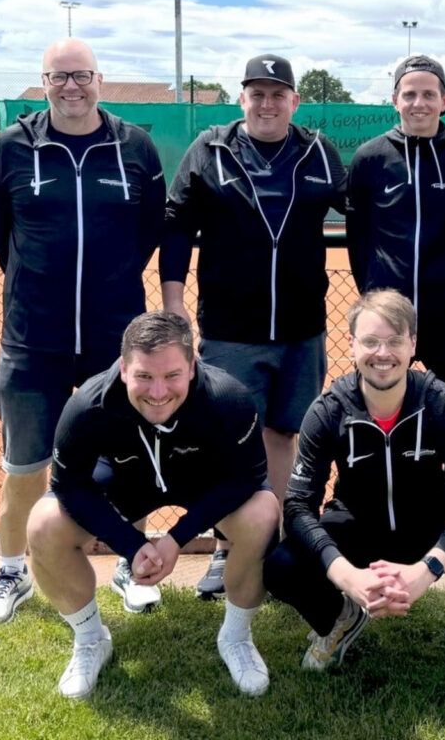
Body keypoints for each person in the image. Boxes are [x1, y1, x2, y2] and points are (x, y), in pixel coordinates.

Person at [0, 38, 166, 625]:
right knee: (24, 466)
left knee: (130, 457)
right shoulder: (10, 147)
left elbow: (149, 229)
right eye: (58, 77)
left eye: (81, 75)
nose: (71, 87)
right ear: (44, 83)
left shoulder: (134, 147)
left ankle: (130, 562)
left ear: (99, 80)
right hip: (33, 340)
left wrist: (110, 285)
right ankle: (12, 572)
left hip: (117, 339)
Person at [160, 54, 346, 598]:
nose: (267, 103)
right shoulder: (211, 150)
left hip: (301, 327)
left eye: (277, 94)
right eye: (257, 93)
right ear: (241, 99)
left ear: (294, 101)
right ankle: (226, 549)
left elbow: (366, 216)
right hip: (229, 329)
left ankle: (275, 544)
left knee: (285, 433)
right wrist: (173, 299)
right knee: (230, 441)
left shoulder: (318, 152)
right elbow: (177, 224)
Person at [262, 289, 445, 679]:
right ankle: (340, 619)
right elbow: (298, 506)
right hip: (357, 526)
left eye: (395, 341)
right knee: (282, 566)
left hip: (428, 525)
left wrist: (427, 570)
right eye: (370, 341)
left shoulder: (443, 403)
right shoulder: (328, 410)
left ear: (413, 344)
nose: (382, 353)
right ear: (351, 345)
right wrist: (346, 575)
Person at [26, 311, 279, 699]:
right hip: (125, 481)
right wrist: (131, 544)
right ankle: (91, 639)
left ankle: (236, 636)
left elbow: (247, 478)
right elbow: (68, 485)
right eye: (144, 376)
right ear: (124, 368)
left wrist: (176, 539)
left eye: (171, 375)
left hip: (200, 482)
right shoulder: (88, 405)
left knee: (263, 512)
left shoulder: (228, 399)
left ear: (192, 368)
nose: (158, 392)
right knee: (44, 523)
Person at [346, 55, 445, 419]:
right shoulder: (369, 158)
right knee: (378, 417)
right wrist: (376, 292)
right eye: (409, 94)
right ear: (395, 100)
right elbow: (358, 237)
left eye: (429, 94)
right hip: (387, 319)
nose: (419, 103)